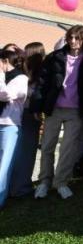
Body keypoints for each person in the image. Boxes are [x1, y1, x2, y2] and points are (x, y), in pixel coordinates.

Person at [31, 26, 83, 200]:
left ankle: (61, 182)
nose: (73, 41)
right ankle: (44, 181)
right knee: (47, 146)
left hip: (75, 111)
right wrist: (37, 106)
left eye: (77, 38)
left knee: (68, 149)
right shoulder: (55, 57)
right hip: (55, 108)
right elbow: (42, 83)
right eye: (70, 38)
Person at [9, 42, 44, 198]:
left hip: (26, 115)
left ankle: (18, 187)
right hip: (22, 115)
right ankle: (16, 187)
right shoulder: (25, 73)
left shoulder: (36, 74)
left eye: (26, 54)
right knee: (19, 154)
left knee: (22, 153)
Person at [0, 49, 29, 208]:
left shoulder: (21, 78)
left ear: (4, 61)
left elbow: (5, 94)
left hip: (9, 126)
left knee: (3, 165)